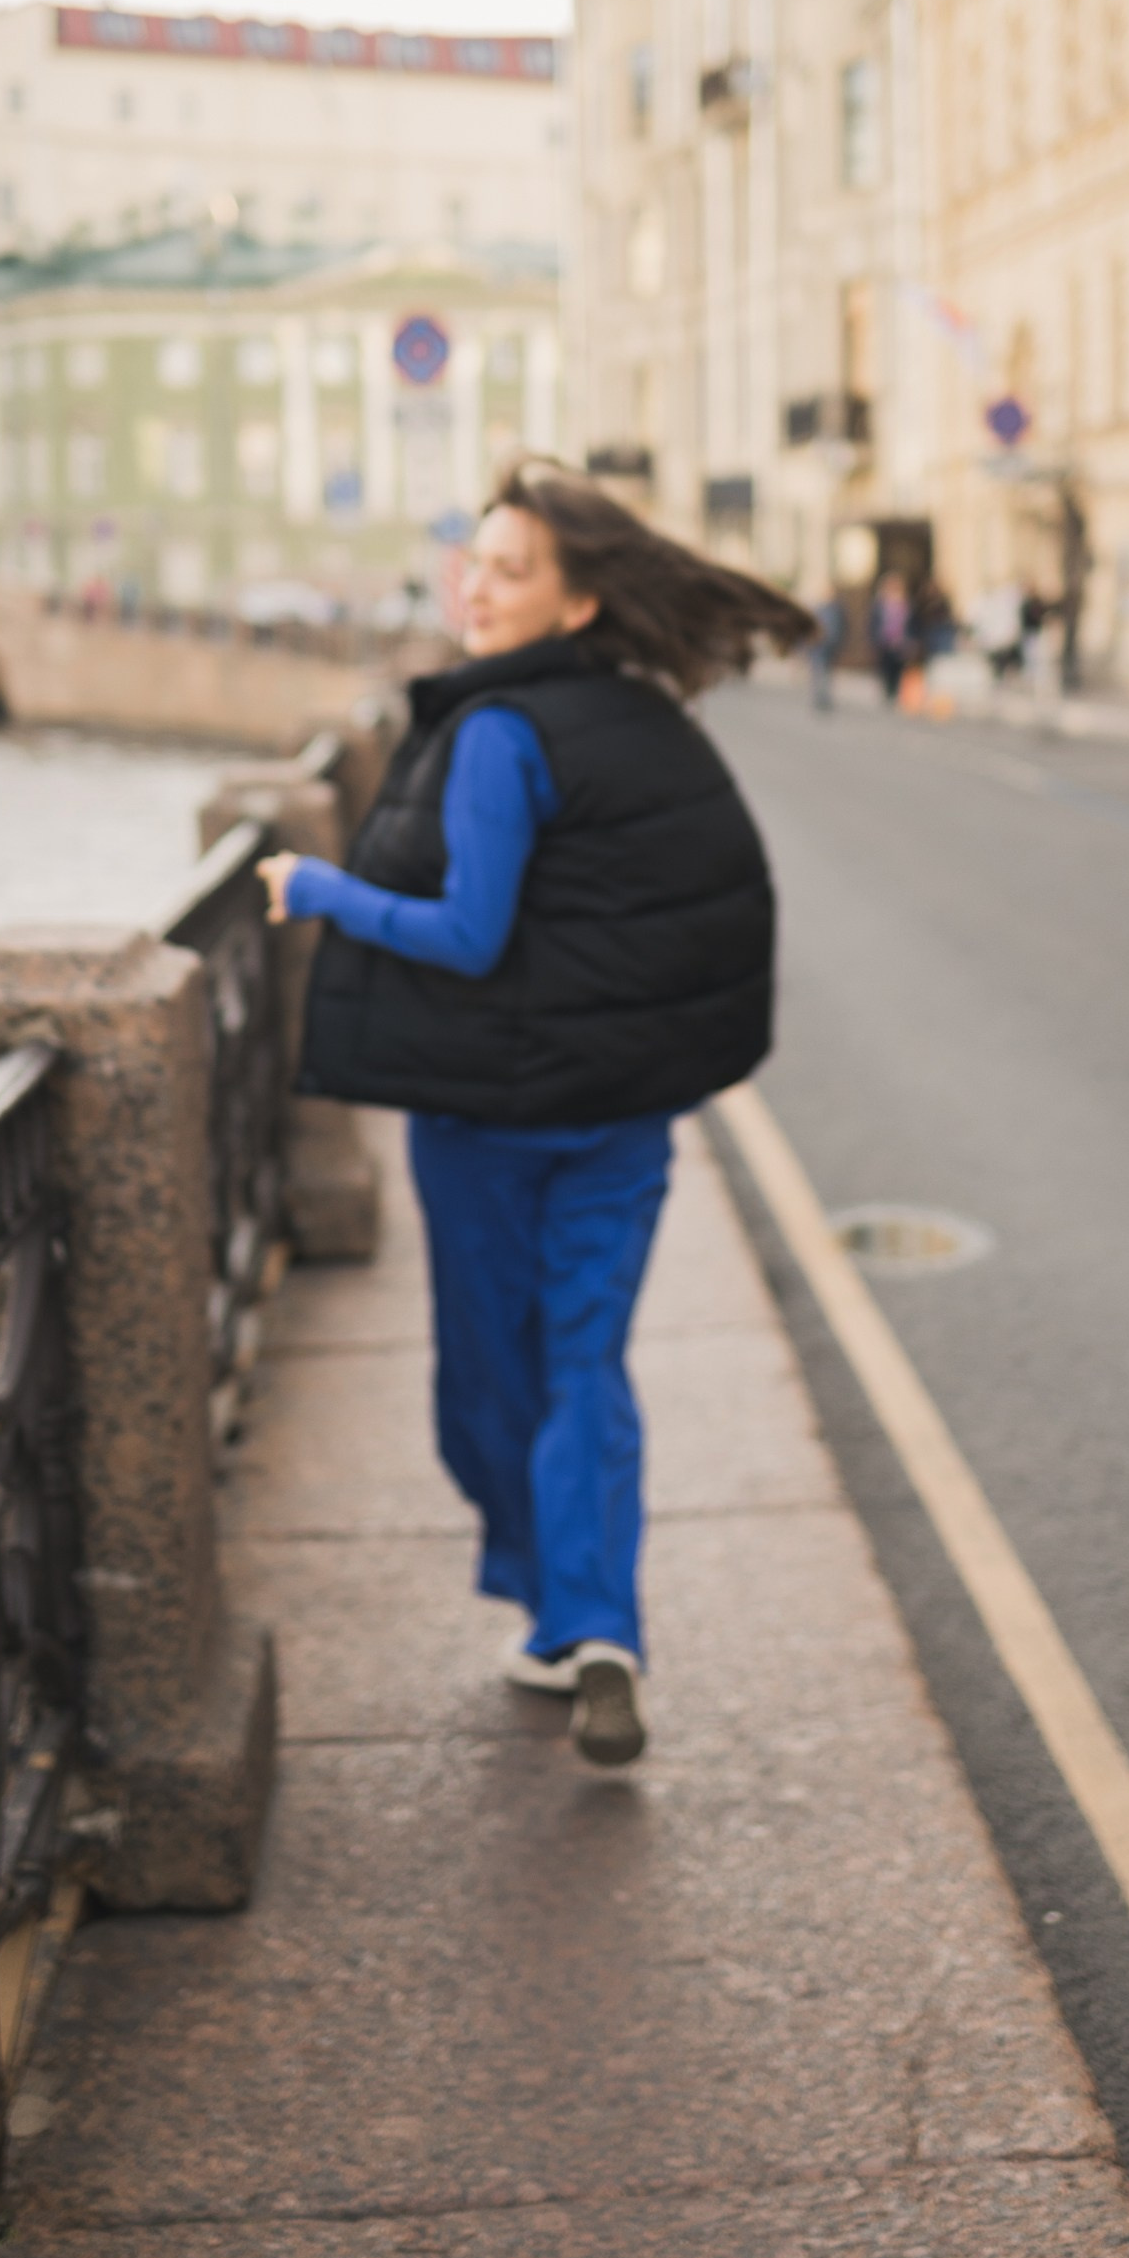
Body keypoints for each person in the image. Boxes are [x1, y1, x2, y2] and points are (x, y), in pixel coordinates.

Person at [259, 464, 812, 1770]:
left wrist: (321, 888)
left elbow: (467, 935)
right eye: (475, 557)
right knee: (588, 1364)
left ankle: (560, 1607)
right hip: (623, 1117)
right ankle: (599, 1627)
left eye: (511, 570)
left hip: (492, 1122)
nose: (476, 583)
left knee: (486, 1388)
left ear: (575, 608)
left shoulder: (500, 732)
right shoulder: (646, 716)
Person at [870, 570, 911, 703]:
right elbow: (873, 623)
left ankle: (896, 693)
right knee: (886, 669)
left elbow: (911, 623)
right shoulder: (880, 603)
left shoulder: (905, 603)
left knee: (899, 669)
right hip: (884, 642)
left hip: (901, 643)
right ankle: (888, 693)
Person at [808, 587, 848, 711]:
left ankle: (826, 697)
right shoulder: (817, 609)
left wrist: (839, 642)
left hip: (831, 645)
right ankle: (819, 697)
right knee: (818, 671)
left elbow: (844, 627)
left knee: (827, 672)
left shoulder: (838, 610)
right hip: (818, 645)